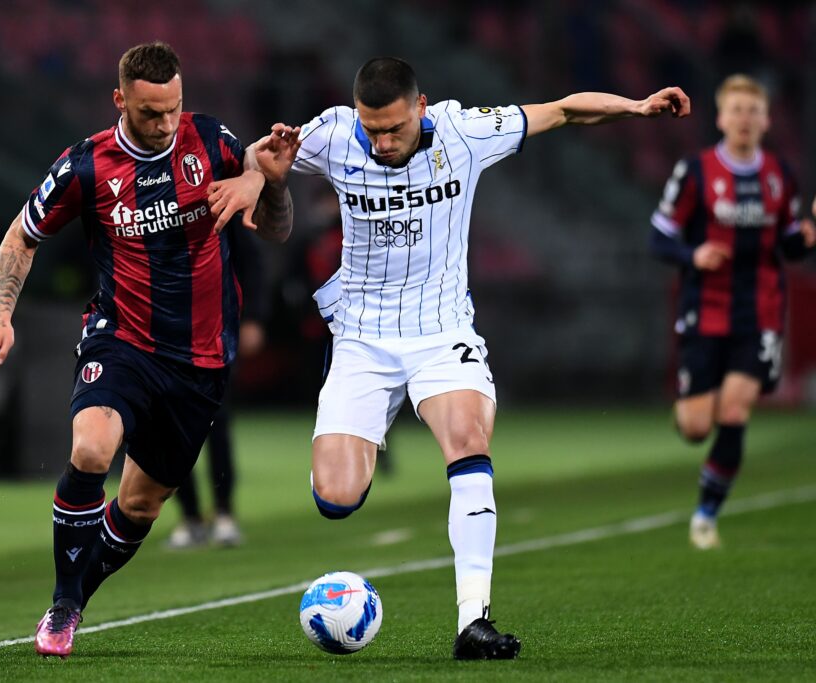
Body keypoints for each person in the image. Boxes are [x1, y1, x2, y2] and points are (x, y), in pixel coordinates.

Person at [219, 57, 690, 660]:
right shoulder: (333, 132)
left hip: (441, 333)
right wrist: (265, 178)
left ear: (421, 107)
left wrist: (636, 106)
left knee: (468, 439)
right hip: (361, 338)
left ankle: (474, 621)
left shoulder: (464, 131)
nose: (381, 142)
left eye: (394, 128)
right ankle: (358, 446)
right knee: (336, 498)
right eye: (372, 129)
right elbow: (261, 174)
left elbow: (564, 110)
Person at [0, 41, 297, 659]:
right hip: (121, 338)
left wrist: (271, 184)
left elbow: (277, 228)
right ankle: (63, 605)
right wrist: (0, 318)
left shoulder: (213, 141)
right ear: (120, 100)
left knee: (140, 505)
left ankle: (74, 599)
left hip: (201, 360)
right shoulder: (86, 166)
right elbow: (21, 235)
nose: (167, 123)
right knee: (92, 449)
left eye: (174, 108)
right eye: (151, 112)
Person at [649, 74, 815, 551]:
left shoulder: (780, 175)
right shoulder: (695, 172)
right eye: (736, 110)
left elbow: (789, 244)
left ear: (766, 121)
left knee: (736, 409)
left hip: (760, 309)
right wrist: (693, 254)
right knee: (697, 426)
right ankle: (688, 414)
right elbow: (659, 237)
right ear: (721, 118)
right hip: (704, 307)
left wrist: (807, 237)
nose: (745, 118)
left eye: (753, 111)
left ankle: (705, 516)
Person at [167, 227, 269, 549]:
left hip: (214, 331)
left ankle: (224, 512)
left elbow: (252, 261)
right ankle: (191, 516)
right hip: (164, 334)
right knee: (171, 427)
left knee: (216, 422)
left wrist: (254, 317)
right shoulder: (147, 210)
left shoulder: (215, 205)